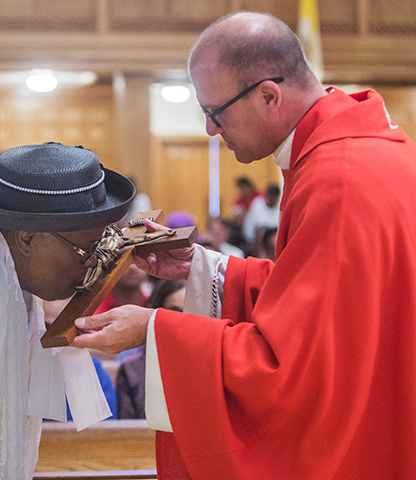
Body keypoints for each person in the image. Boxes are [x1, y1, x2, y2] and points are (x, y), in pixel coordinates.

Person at [70, 11, 416, 480]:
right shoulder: (355, 149)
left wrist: (156, 330)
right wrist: (205, 269)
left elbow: (294, 372)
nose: (210, 129)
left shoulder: (338, 179)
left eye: (214, 112)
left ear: (268, 95)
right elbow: (329, 304)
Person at [0, 142, 135, 479]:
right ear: (28, 239)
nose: (94, 263)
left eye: (100, 244)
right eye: (85, 250)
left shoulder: (0, 257)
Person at [115, 279, 186, 419]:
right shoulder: (131, 370)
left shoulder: (215, 367)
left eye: (191, 313)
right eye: (174, 313)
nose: (184, 321)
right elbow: (126, 434)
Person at [242, 183, 281, 256]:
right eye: (270, 195)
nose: (272, 198)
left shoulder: (281, 207)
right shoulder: (257, 204)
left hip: (275, 238)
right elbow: (249, 226)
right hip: (259, 240)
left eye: (274, 195)